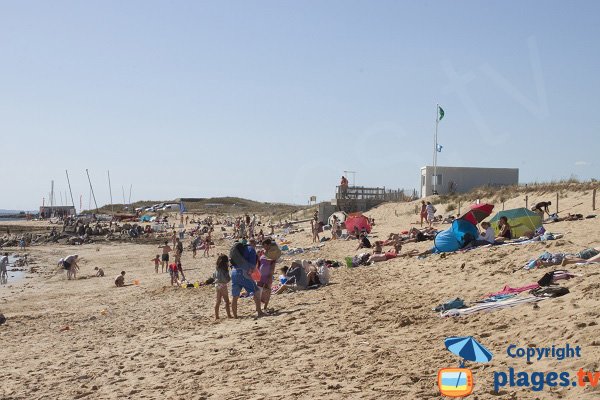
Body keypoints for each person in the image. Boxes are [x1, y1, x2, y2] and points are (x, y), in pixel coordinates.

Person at [229, 241, 265, 318]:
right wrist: (251, 271)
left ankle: (235, 316)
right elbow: (252, 264)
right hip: (243, 272)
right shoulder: (250, 249)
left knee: (235, 296)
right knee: (256, 291)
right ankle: (259, 312)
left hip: (233, 272)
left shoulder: (236, 251)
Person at [214, 254, 232, 319]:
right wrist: (229, 278)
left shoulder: (217, 267)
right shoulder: (224, 269)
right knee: (227, 301)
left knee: (218, 301)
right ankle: (229, 315)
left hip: (217, 285)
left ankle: (216, 316)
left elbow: (214, 276)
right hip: (223, 285)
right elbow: (226, 279)